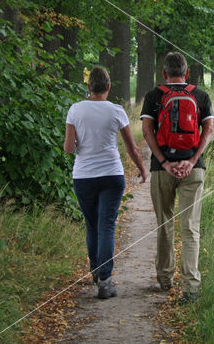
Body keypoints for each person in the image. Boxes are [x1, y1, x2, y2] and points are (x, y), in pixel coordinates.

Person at [64, 66, 147, 299]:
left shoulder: (75, 110)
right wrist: (142, 169)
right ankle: (105, 280)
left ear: (89, 87)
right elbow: (132, 147)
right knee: (107, 226)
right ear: (108, 87)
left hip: (83, 177)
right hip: (112, 175)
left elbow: (69, 149)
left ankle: (95, 270)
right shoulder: (116, 111)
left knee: (92, 225)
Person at [140, 52, 214, 303]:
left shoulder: (154, 96)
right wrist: (192, 160)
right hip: (193, 170)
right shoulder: (200, 95)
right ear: (187, 72)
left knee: (164, 223)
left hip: (162, 170)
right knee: (190, 228)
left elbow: (147, 131)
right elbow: (209, 130)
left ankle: (164, 278)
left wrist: (164, 162)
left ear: (164, 74)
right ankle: (190, 288)